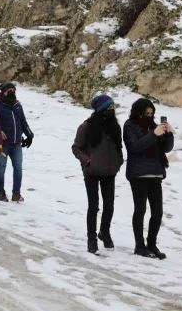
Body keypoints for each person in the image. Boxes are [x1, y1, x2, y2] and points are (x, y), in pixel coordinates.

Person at [72, 94, 124, 254]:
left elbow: (118, 146)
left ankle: (104, 231)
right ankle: (91, 239)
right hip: (92, 172)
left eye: (113, 107)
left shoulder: (116, 127)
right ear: (101, 109)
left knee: (109, 205)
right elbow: (76, 147)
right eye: (109, 108)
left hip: (109, 171)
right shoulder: (86, 126)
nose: (112, 110)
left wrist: (119, 161)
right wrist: (87, 161)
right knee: (93, 206)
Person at [123, 98, 174, 260]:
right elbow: (134, 147)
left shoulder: (154, 127)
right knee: (140, 210)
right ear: (138, 112)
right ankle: (139, 246)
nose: (149, 116)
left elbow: (166, 148)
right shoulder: (129, 125)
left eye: (152, 113)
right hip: (138, 174)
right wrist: (153, 134)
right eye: (146, 113)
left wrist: (169, 133)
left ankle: (152, 244)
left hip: (156, 173)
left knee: (157, 212)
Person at [0, 82, 33, 203]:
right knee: (1, 168)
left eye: (13, 90)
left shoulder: (17, 104)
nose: (12, 92)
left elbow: (23, 121)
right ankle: (1, 192)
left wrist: (29, 135)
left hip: (16, 143)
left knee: (18, 169)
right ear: (3, 91)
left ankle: (16, 193)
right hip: (3, 144)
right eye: (9, 90)